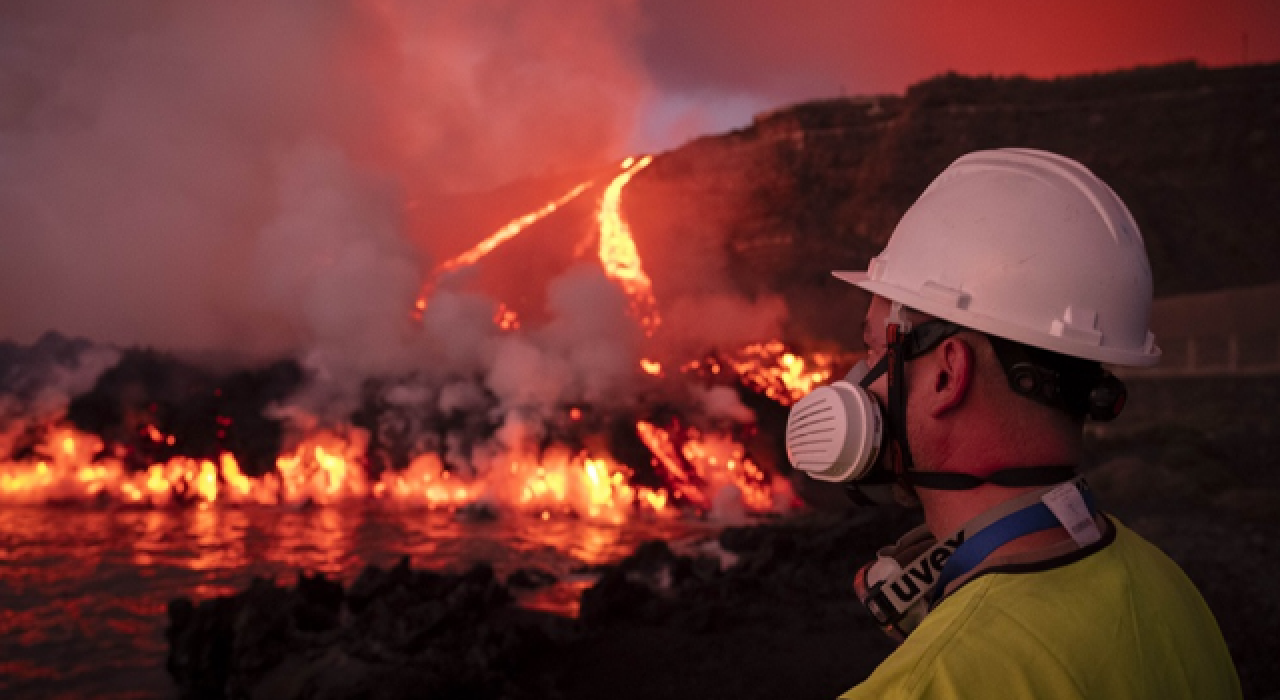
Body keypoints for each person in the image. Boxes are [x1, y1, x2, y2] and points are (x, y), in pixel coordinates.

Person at [785, 148, 1240, 699]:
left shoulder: (928, 686)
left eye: (873, 348)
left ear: (947, 376)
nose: (860, 378)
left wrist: (946, 654)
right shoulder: (1170, 591)